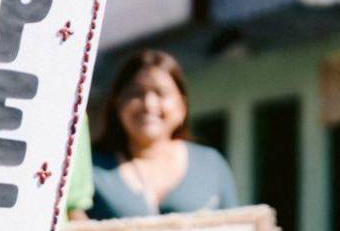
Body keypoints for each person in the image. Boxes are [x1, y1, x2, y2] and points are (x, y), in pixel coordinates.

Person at [88, 49, 238, 219]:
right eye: (136, 93)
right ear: (117, 103)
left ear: (182, 106)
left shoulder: (211, 165)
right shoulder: (91, 169)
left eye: (161, 93)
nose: (149, 104)